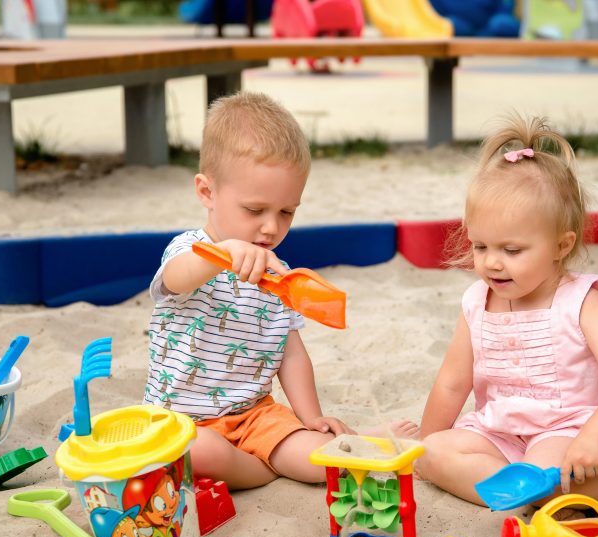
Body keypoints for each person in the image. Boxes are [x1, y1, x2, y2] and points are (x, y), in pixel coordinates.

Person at [415, 114, 598, 509]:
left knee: (548, 481)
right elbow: (453, 384)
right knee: (434, 454)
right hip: (500, 432)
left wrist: (594, 437)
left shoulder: (582, 301)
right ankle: (524, 488)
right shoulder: (476, 302)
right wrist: (422, 447)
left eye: (512, 250)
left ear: (561, 245)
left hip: (569, 432)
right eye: (481, 246)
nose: (492, 263)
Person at [144, 91, 414, 491]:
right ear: (207, 192)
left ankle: (345, 443)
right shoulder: (191, 250)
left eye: (286, 211)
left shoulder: (279, 275)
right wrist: (222, 254)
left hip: (257, 416)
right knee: (200, 453)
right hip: (186, 420)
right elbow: (177, 279)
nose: (271, 227)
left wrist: (310, 417)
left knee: (324, 463)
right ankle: (262, 471)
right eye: (255, 211)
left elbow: (290, 352)